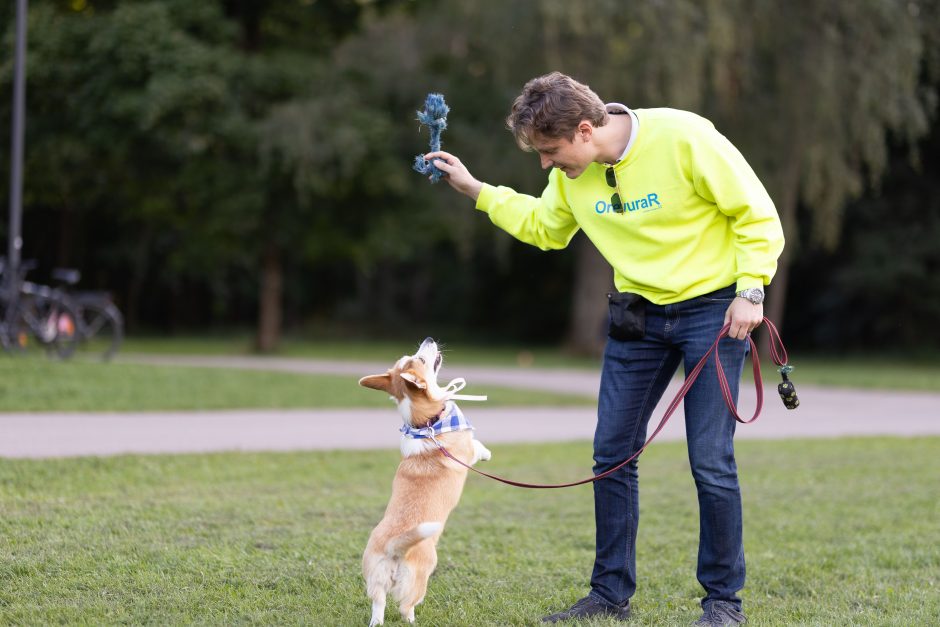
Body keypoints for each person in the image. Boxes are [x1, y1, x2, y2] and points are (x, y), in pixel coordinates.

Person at [425, 72, 784, 625]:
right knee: (611, 454)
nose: (547, 165)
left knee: (710, 461)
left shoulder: (684, 137)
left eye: (550, 152)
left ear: (587, 129)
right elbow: (545, 227)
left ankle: (722, 602)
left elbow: (755, 215)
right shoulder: (575, 173)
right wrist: (476, 189)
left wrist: (751, 290)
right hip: (638, 315)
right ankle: (609, 595)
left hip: (714, 311)